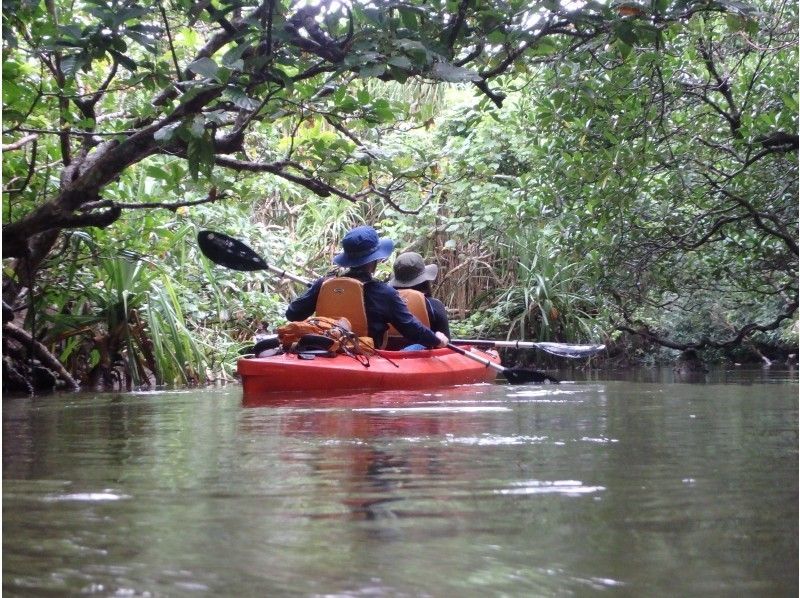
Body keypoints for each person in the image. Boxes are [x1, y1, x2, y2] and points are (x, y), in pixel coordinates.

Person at [285, 226, 448, 350]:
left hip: (328, 349)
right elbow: (412, 329)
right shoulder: (384, 293)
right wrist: (436, 340)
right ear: (373, 261)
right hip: (366, 353)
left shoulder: (323, 284)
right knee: (425, 345)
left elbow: (293, 313)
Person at [387, 252, 450, 350]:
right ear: (424, 280)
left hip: (388, 358)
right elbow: (446, 342)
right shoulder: (435, 306)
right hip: (425, 360)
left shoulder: (382, 303)